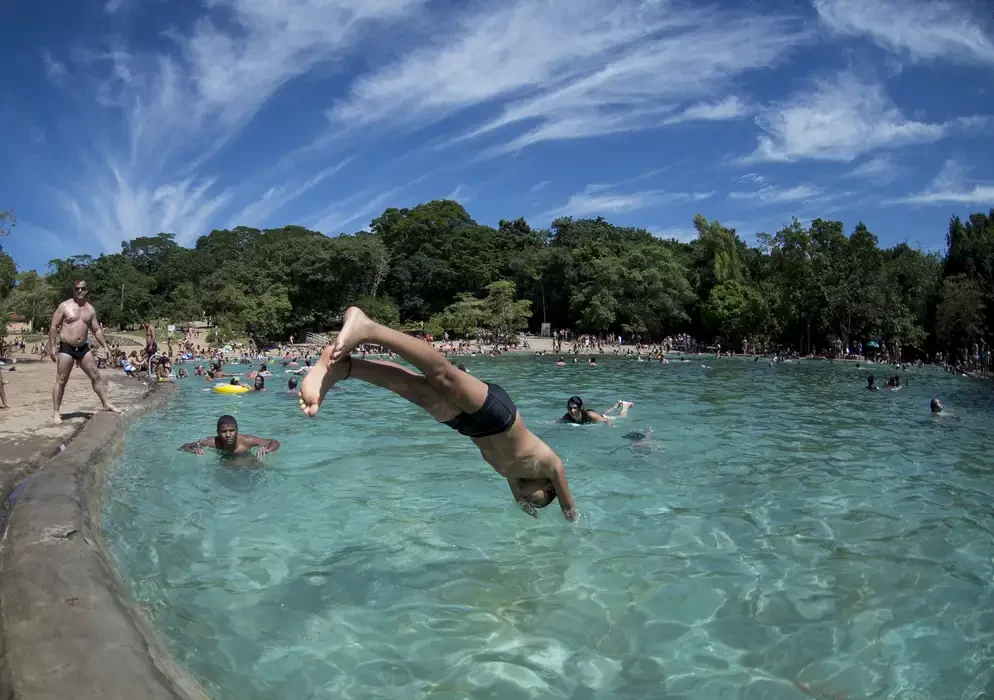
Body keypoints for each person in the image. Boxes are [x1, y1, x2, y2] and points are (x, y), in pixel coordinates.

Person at [299, 307, 578, 520]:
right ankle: (367, 328)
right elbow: (568, 505)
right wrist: (572, 520)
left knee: (412, 390)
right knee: (443, 376)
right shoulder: (549, 465)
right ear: (550, 487)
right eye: (540, 499)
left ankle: (344, 368)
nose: (531, 501)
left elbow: (522, 500)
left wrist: (529, 512)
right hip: (499, 417)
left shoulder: (512, 476)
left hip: (470, 428)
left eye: (531, 502)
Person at [48, 279, 121, 423]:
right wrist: (52, 346)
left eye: (82, 288)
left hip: (83, 348)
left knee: (96, 375)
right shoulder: (64, 306)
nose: (80, 291)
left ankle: (106, 404)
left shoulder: (90, 309)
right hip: (66, 348)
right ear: (73, 290)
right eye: (77, 288)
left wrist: (105, 346)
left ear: (86, 290)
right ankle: (56, 412)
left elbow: (96, 330)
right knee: (61, 380)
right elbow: (53, 326)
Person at [179, 415, 280, 456]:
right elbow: (184, 446)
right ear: (218, 432)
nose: (228, 435)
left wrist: (268, 450)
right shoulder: (213, 442)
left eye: (231, 431)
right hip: (226, 461)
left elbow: (274, 441)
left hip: (247, 458)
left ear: (237, 431)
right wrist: (192, 450)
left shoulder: (247, 440)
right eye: (224, 432)